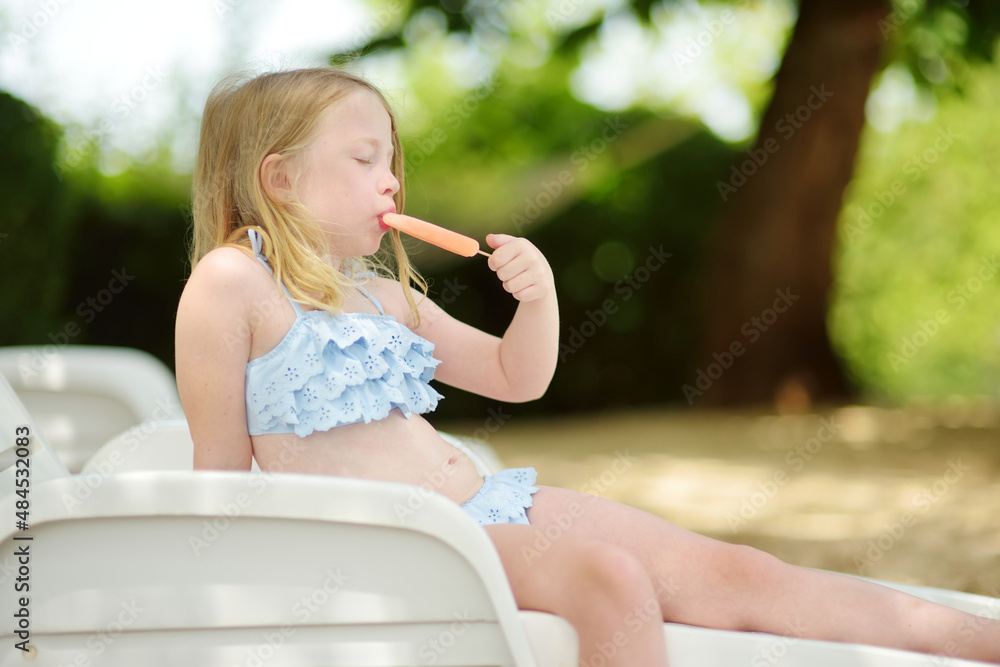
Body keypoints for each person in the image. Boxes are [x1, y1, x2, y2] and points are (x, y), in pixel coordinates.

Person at [174, 66, 1000, 666]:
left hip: (492, 505)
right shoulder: (230, 284)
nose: (391, 177)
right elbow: (218, 481)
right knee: (608, 578)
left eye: (391, 156)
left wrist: (538, 303)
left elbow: (513, 376)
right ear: (278, 178)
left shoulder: (382, 296)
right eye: (364, 158)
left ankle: (979, 641)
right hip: (409, 546)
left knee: (739, 570)